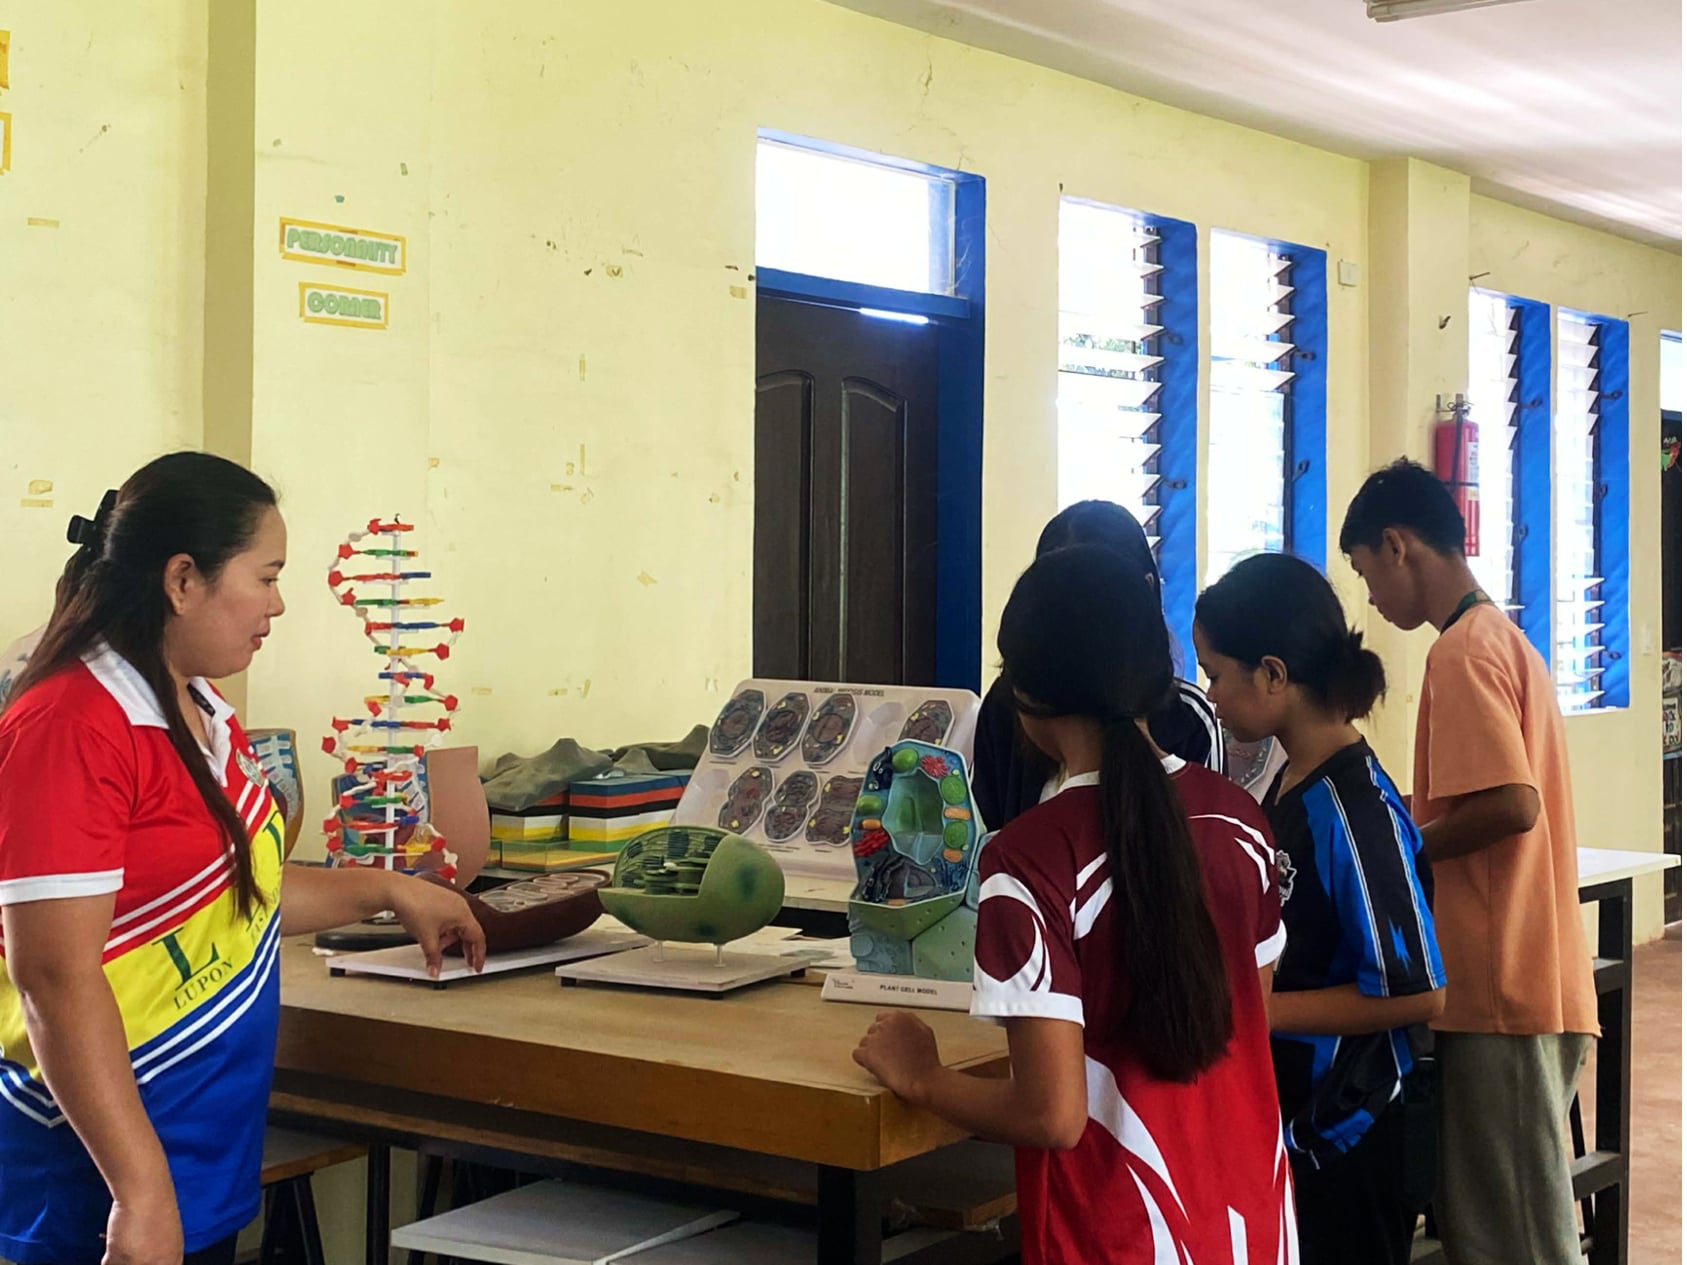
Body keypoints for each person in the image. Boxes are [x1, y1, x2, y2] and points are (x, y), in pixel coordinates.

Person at [0, 453, 487, 1265]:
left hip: (196, 1156)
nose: (278, 603)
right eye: (266, 576)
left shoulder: (200, 709)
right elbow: (53, 974)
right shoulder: (71, 724)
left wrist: (387, 889)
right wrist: (139, 1191)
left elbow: (231, 895)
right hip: (96, 1174)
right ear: (182, 579)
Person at [854, 545, 1293, 1264]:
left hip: (1116, 1236)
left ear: (1026, 693)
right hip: (1254, 1225)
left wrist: (924, 1076)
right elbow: (1251, 1021)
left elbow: (1052, 1115)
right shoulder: (1240, 821)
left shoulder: (1027, 859)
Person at [1340, 459, 1598, 1265]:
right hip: (1528, 978)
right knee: (1497, 1226)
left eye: (1366, 573)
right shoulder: (1502, 638)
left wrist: (1401, 846)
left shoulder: (1459, 651)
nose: (1371, 599)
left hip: (1500, 990)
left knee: (1514, 1241)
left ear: (1397, 545)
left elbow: (1512, 803)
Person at [1194, 552, 1445, 1265]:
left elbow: (1418, 990)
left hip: (1352, 1136)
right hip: (1299, 1127)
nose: (1211, 696)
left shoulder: (1352, 808)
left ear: (1272, 674)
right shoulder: (1289, 779)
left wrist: (1255, 1009)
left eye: (1216, 674)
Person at [971, 500, 1225, 833]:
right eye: (1056, 596)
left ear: (1146, 587)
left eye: (1098, 594)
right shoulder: (1009, 702)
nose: (1079, 621)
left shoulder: (1188, 719)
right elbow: (981, 834)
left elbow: (1208, 837)